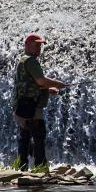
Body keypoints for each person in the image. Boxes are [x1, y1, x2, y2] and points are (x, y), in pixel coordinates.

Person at [12, 33, 68, 171]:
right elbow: (41, 81)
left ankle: (22, 168)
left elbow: (29, 84)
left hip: (22, 106)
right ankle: (40, 169)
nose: (39, 48)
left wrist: (48, 90)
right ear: (27, 45)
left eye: (40, 45)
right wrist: (59, 84)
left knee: (24, 138)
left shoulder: (22, 60)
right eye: (36, 45)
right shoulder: (30, 61)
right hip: (32, 106)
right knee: (38, 136)